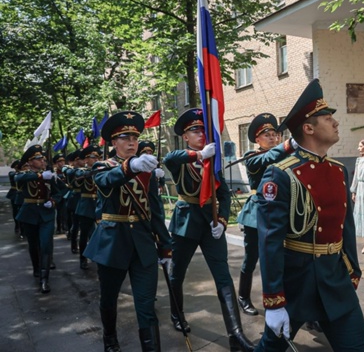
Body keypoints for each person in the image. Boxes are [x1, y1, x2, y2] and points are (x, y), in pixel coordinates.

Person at [255, 79, 364, 351]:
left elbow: (346, 227)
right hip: (296, 281)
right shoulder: (281, 174)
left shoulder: (339, 170)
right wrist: (274, 301)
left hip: (335, 278)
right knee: (270, 348)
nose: (336, 123)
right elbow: (269, 242)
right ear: (308, 128)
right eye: (328, 118)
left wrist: (353, 269)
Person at [163, 108, 254, 352]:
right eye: (195, 130)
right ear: (186, 137)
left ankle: (236, 334)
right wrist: (197, 154)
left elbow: (223, 194)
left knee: (223, 277)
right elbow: (169, 159)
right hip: (186, 223)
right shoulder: (184, 160)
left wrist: (223, 220)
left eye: (203, 129)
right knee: (177, 273)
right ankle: (177, 314)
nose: (201, 133)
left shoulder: (211, 162)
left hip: (210, 223)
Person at [83, 111, 172, 351]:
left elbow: (155, 211)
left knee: (146, 305)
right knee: (109, 298)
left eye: (134, 136)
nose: (132, 142)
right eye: (125, 137)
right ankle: (110, 338)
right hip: (113, 243)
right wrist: (130, 166)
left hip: (143, 244)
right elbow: (105, 181)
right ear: (113, 143)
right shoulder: (103, 167)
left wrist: (165, 246)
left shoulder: (147, 170)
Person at [236, 113, 295, 316]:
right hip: (257, 213)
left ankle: (286, 300)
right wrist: (289, 145)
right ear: (257, 139)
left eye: (274, 134)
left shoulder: (285, 156)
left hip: (281, 213)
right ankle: (243, 296)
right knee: (251, 259)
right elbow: (269, 157)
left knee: (283, 259)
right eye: (266, 135)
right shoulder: (252, 158)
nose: (272, 137)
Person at [15, 145, 65, 293]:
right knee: (33, 244)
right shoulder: (25, 174)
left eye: (42, 158)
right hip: (29, 213)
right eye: (38, 159)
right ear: (29, 162)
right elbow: (18, 178)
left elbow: (61, 191)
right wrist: (39, 176)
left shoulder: (49, 175)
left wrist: (54, 201)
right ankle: (36, 269)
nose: (42, 161)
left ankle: (44, 279)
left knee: (45, 245)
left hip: (46, 214)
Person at [74, 145, 101, 270]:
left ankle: (97, 254)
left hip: (99, 205)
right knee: (84, 233)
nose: (95, 159)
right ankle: (82, 258)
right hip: (86, 206)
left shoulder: (101, 170)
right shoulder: (81, 171)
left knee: (99, 233)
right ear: (85, 160)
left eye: (97, 157)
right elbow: (78, 177)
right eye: (92, 157)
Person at [6, 159, 21, 236]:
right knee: (15, 211)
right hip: (14, 193)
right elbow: (15, 176)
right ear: (16, 167)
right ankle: (17, 225)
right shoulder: (12, 173)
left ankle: (22, 227)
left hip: (22, 194)